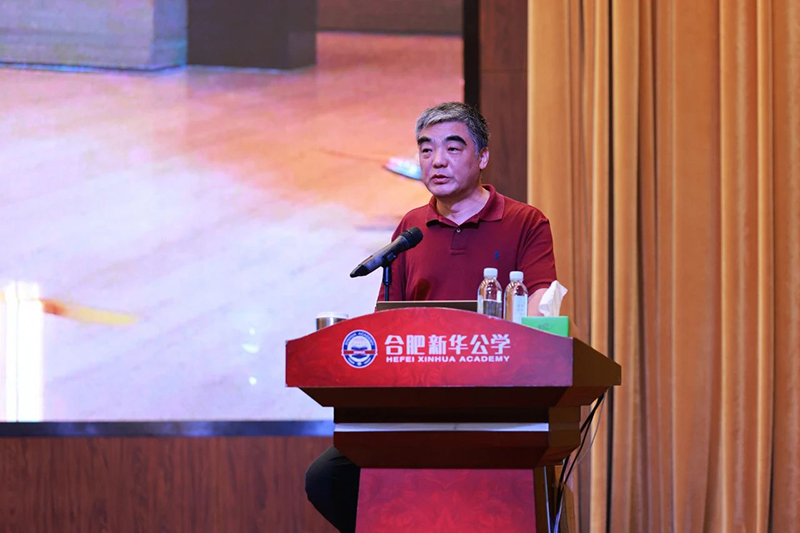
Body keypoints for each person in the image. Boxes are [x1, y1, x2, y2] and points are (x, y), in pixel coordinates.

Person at [305, 102, 557, 533]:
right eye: (426, 149)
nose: (437, 160)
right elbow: (387, 328)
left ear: (482, 157)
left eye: (452, 148)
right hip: (417, 408)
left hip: (495, 407)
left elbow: (541, 313)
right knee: (328, 477)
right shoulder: (411, 229)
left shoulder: (524, 222)